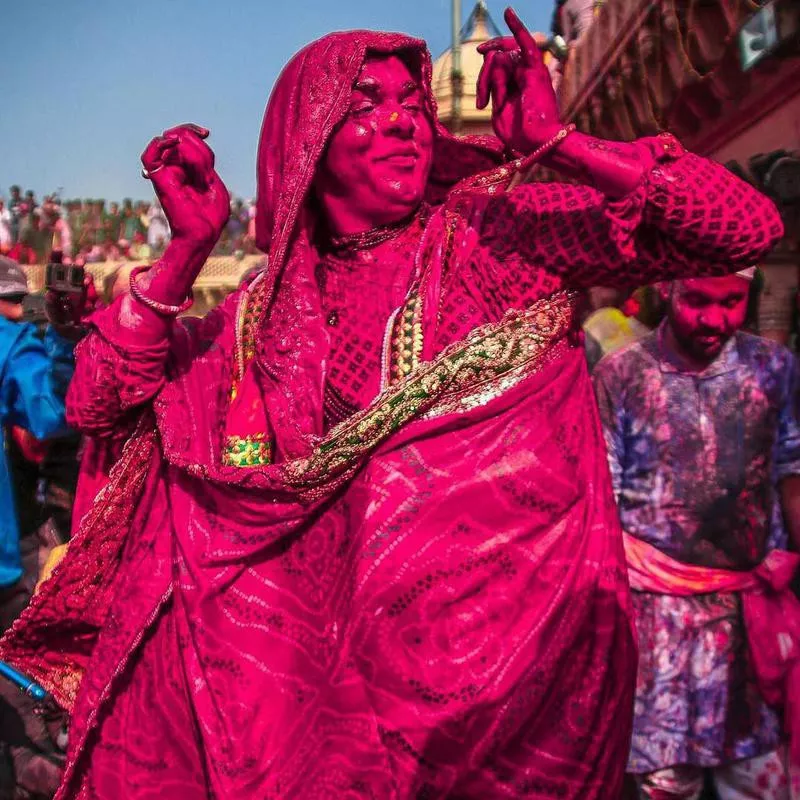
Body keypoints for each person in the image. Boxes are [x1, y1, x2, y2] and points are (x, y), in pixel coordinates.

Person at [0, 10, 784, 799]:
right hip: (331, 710)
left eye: (413, 103)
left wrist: (559, 142)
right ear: (305, 139)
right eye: (366, 104)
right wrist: (183, 253)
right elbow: (98, 399)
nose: (402, 121)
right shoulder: (255, 323)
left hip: (510, 702)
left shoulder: (495, 240)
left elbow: (743, 229)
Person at [593, 272, 800, 800]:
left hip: (748, 613)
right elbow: (603, 497)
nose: (716, 320)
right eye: (698, 302)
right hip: (655, 616)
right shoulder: (623, 372)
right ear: (666, 290)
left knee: (762, 779)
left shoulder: (772, 368)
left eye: (732, 302)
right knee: (665, 780)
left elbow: (790, 467)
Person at [0, 257, 76, 632]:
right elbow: (51, 415)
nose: (18, 310)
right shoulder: (12, 344)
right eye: (11, 299)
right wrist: (62, 337)